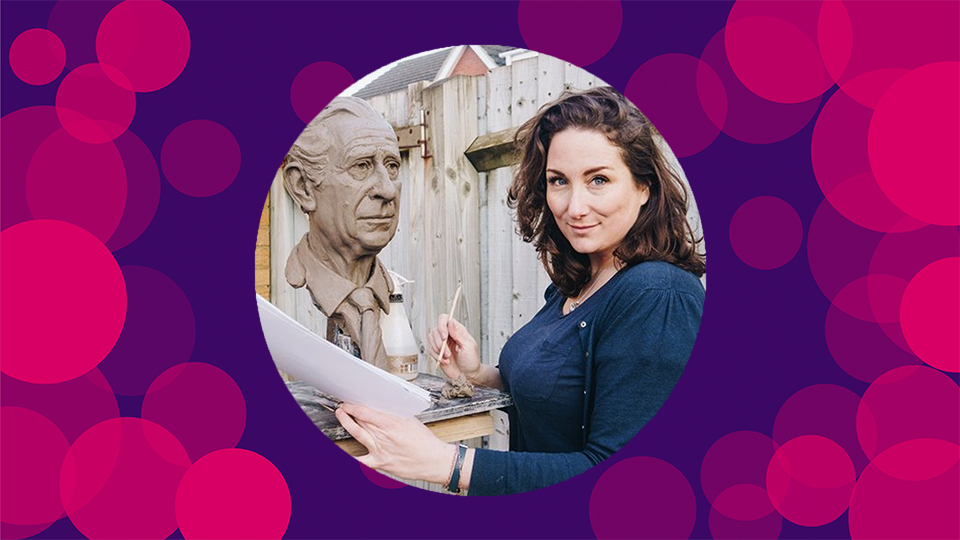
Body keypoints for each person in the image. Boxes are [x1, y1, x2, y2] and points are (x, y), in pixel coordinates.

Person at [335, 86, 705, 495]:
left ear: (643, 188)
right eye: (558, 181)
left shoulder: (658, 296)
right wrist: (478, 374)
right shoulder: (575, 285)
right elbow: (562, 396)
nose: (574, 206)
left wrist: (446, 463)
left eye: (598, 179)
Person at [283, 97, 403, 370]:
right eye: (361, 166)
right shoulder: (282, 302)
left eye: (392, 166)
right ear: (303, 187)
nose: (388, 189)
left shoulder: (388, 292)